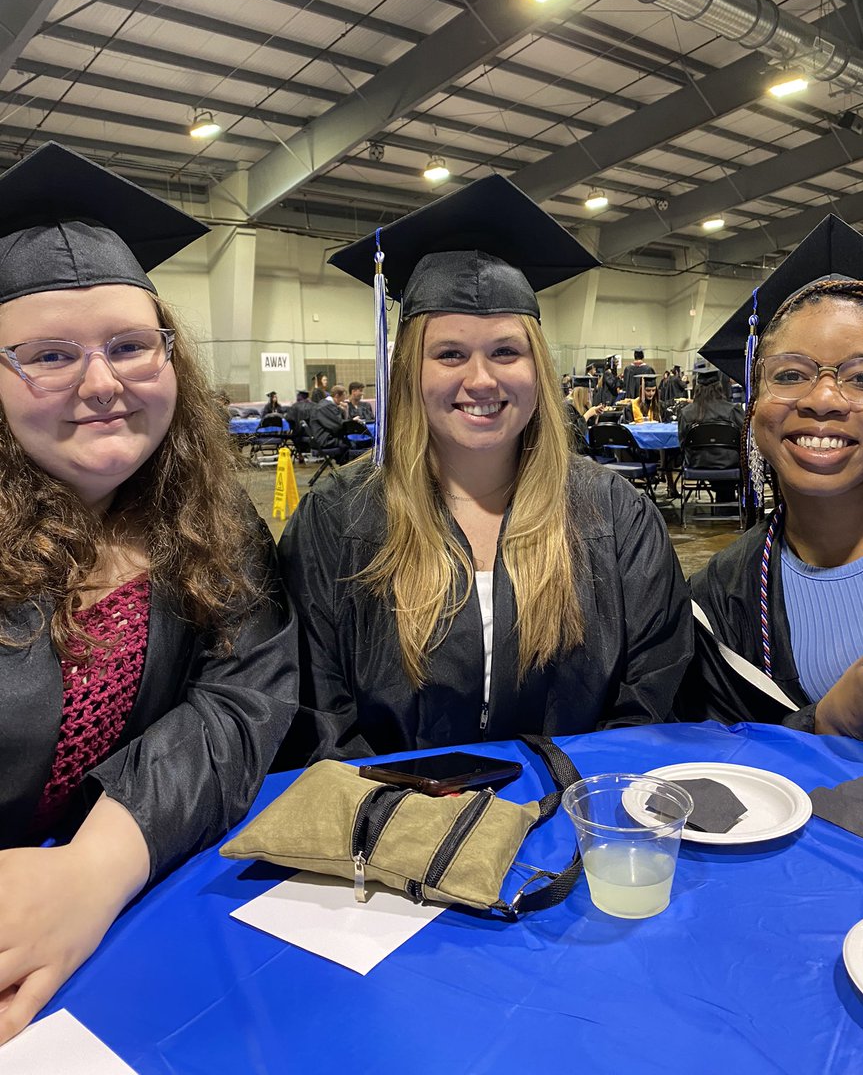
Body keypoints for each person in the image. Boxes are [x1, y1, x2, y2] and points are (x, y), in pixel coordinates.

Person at [0, 143, 298, 1044]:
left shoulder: (211, 520)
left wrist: (96, 867)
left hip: (136, 910)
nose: (102, 383)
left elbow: (243, 697)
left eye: (131, 346)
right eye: (48, 355)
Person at [278, 175, 692, 762]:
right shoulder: (336, 520)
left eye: (505, 351)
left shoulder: (615, 516)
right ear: (410, 372)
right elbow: (317, 713)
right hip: (394, 831)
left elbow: (654, 695)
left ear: (537, 370)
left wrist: (566, 807)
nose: (481, 379)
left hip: (574, 825)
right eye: (449, 354)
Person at [679, 215, 863, 744]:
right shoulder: (720, 598)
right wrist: (825, 722)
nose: (822, 399)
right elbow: (716, 761)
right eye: (790, 374)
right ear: (754, 404)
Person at [677, 360, 744, 506]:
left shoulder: (686, 413)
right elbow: (744, 439)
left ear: (696, 387)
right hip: (730, 464)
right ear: (720, 386)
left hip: (697, 463)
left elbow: (682, 444)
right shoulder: (733, 410)